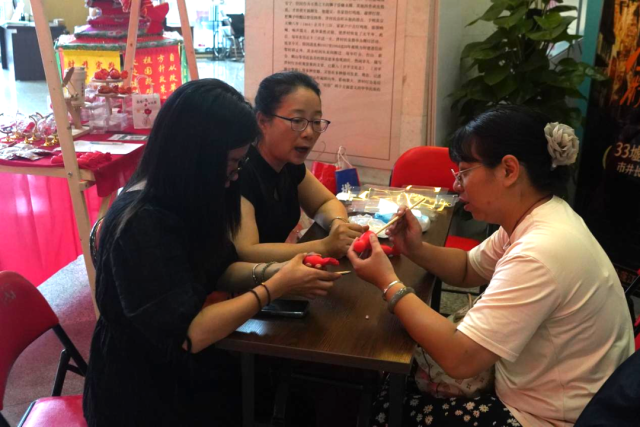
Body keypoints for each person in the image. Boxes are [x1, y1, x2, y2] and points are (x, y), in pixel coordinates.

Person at [347, 105, 635, 427]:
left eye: (464, 172)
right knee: (398, 380)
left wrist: (388, 283)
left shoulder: (540, 251)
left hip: (553, 418)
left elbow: (461, 358)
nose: (457, 185)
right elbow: (468, 268)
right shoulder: (539, 215)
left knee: (389, 408)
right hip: (553, 394)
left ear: (509, 170)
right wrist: (414, 248)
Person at [82, 79, 341, 427]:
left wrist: (282, 271)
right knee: (284, 399)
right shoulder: (143, 222)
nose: (236, 175)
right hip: (143, 391)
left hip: (187, 367)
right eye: (232, 163)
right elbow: (191, 334)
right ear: (197, 155)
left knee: (295, 394)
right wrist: (275, 287)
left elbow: (222, 268)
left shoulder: (193, 192)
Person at [234, 71, 366, 263]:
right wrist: (324, 247)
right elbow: (247, 251)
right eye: (297, 121)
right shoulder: (240, 169)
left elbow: (324, 203)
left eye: (316, 122)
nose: (309, 133)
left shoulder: (288, 163)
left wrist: (338, 225)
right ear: (263, 121)